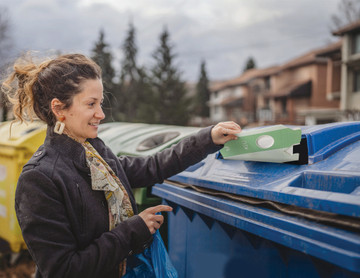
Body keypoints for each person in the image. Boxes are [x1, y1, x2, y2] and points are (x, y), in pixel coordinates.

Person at [2, 53, 241, 278]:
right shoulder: (40, 179)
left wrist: (208, 138)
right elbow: (63, 269)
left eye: (101, 103)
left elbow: (152, 167)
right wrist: (133, 230)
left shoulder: (95, 152)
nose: (101, 114)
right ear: (59, 109)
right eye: (91, 104)